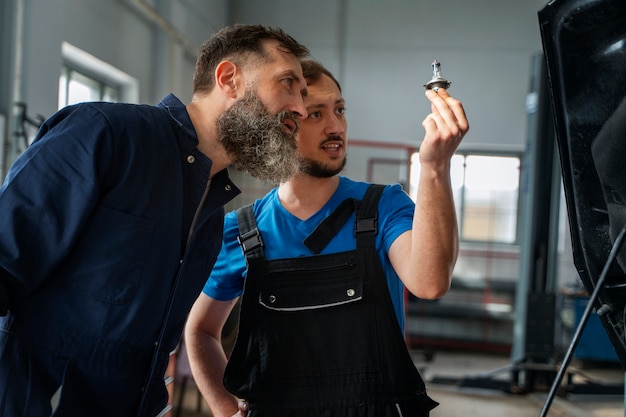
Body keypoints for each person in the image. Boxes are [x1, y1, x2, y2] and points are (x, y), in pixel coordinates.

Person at [0, 24, 310, 417]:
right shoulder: (106, 133)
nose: (300, 107)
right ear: (229, 79)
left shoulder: (212, 210)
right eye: (288, 83)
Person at [185, 59, 469, 417]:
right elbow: (201, 331)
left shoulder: (383, 207)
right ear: (283, 126)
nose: (336, 127)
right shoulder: (240, 231)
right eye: (316, 114)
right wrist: (224, 408)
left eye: (339, 110)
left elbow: (430, 283)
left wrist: (435, 167)